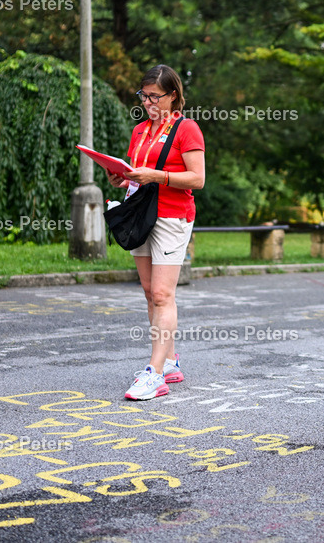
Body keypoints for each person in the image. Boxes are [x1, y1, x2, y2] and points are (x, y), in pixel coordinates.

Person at [107, 65, 205, 401]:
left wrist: (157, 176)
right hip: (140, 213)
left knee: (163, 294)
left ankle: (155, 373)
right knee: (150, 292)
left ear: (173, 95)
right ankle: (170, 362)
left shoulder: (186, 128)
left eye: (155, 96)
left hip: (172, 216)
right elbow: (139, 174)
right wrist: (122, 178)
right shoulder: (139, 131)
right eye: (143, 95)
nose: (148, 102)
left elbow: (197, 179)